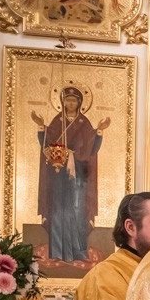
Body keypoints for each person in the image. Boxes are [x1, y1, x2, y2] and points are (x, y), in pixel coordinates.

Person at [32, 86, 109, 262]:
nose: (71, 103)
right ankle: (58, 252)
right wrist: (40, 126)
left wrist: (99, 130)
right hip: (58, 175)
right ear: (63, 102)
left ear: (79, 103)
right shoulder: (57, 122)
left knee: (77, 209)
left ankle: (78, 252)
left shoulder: (84, 123)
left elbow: (92, 148)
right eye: (68, 100)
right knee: (58, 210)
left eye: (74, 100)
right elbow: (46, 144)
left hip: (78, 175)